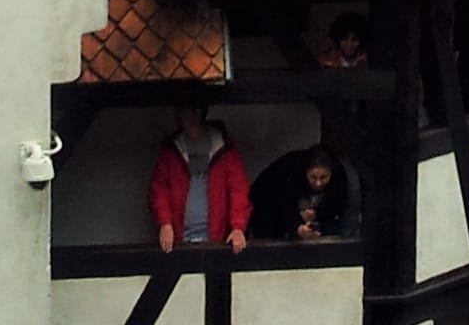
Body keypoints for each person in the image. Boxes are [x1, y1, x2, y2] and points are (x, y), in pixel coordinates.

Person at [148, 103, 249, 253]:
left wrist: (238, 228)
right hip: (178, 240)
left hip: (218, 239)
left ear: (200, 112)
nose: (189, 117)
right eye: (183, 111)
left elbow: (239, 190)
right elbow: (159, 190)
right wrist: (165, 223)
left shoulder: (225, 149)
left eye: (193, 110)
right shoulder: (171, 150)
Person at [250, 145, 357, 242]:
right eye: (313, 177)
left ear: (331, 173)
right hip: (267, 203)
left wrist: (317, 214)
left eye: (323, 177)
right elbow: (283, 206)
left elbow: (336, 206)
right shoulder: (290, 174)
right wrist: (296, 228)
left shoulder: (339, 177)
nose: (318, 183)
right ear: (306, 172)